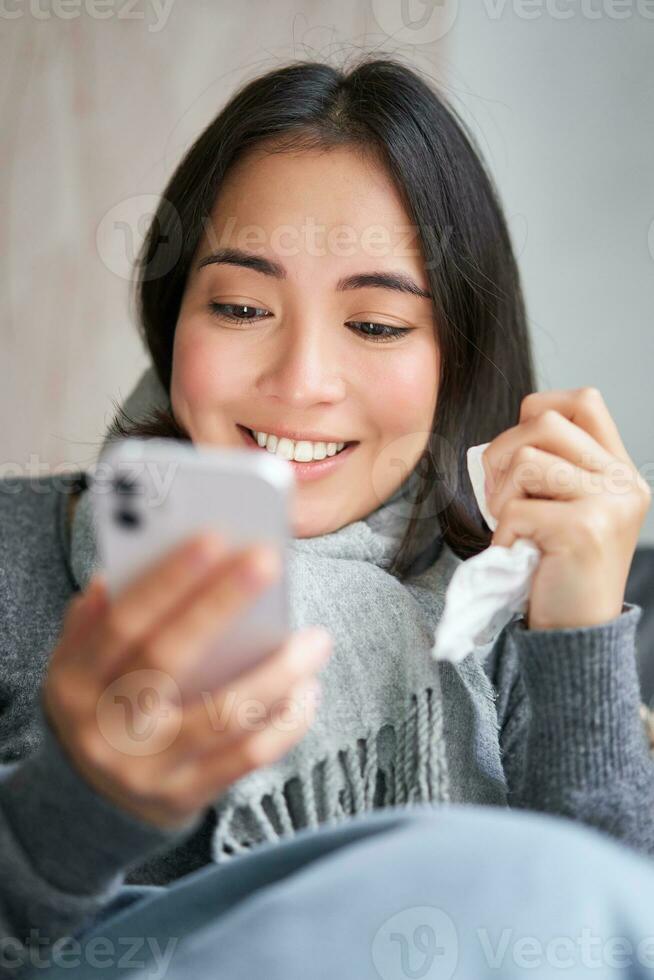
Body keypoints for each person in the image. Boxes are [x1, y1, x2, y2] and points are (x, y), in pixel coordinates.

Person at [1, 54, 652, 979]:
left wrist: (578, 634)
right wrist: (82, 803)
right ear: (170, 316)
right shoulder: (12, 557)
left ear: (457, 356)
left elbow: (614, 929)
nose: (301, 382)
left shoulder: (521, 610)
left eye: (377, 325)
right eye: (239, 306)